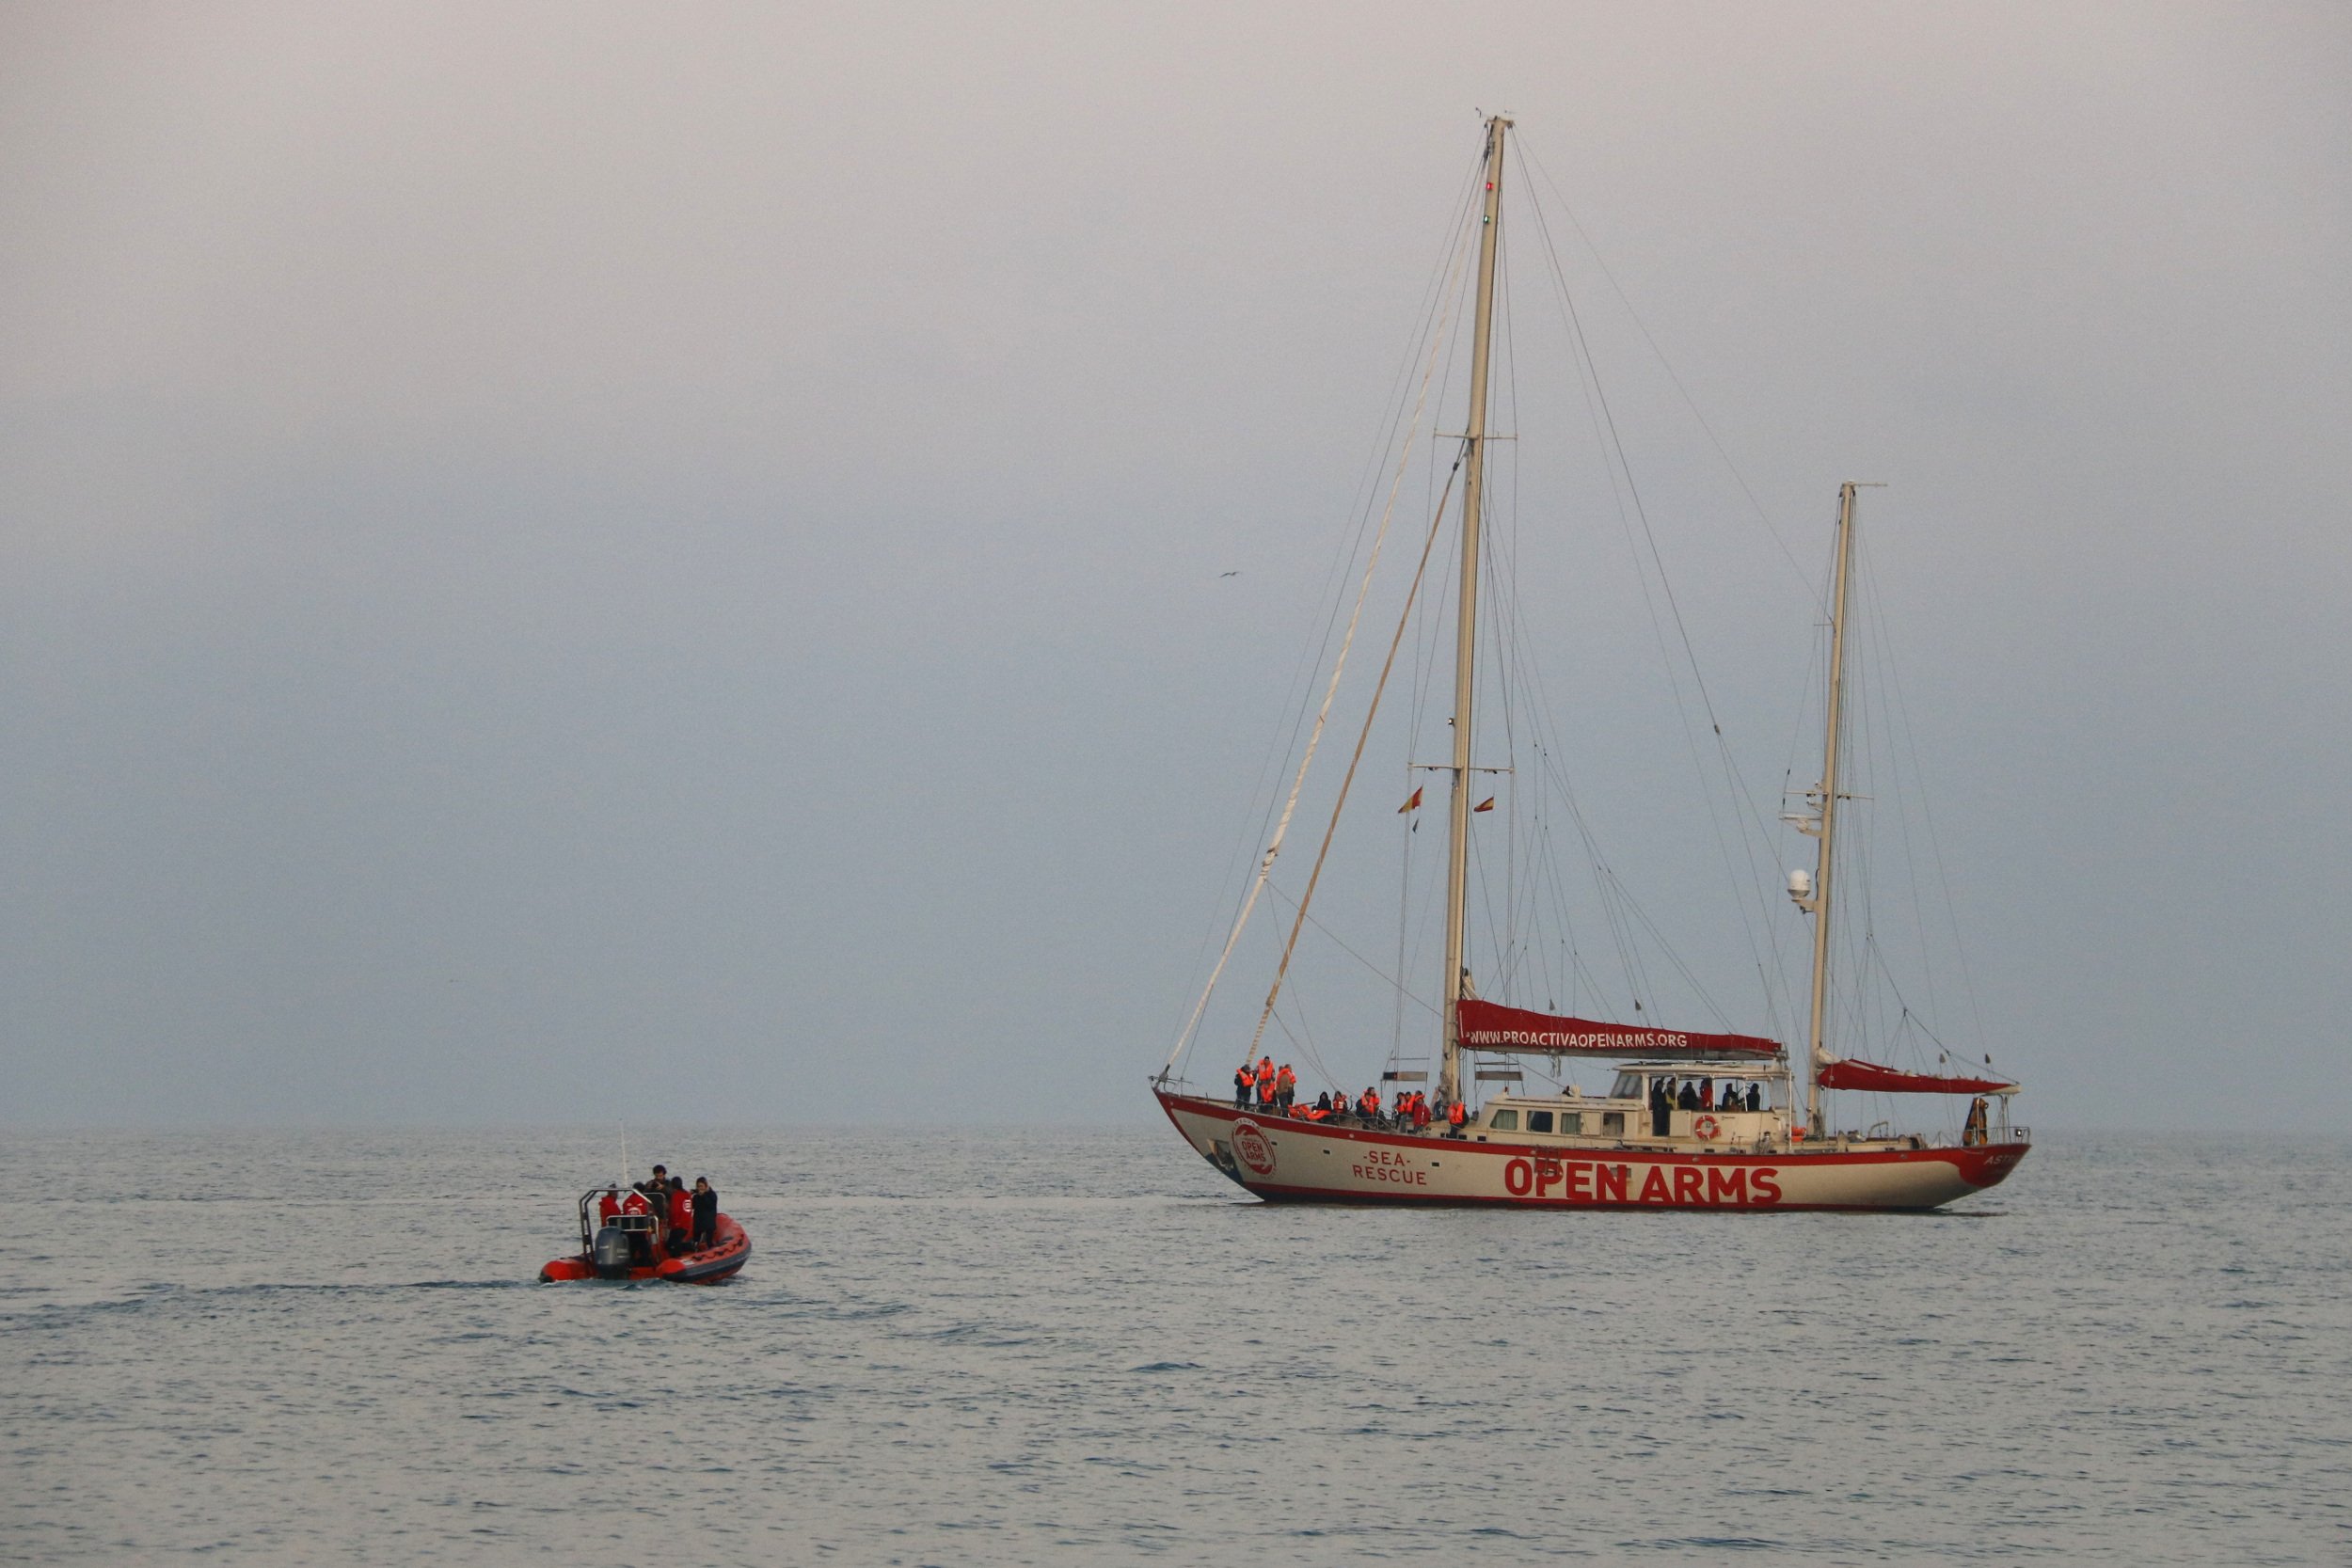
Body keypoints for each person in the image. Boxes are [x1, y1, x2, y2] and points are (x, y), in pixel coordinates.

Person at [667, 1177, 693, 1254]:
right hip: (686, 1224)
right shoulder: (687, 1194)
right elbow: (689, 1209)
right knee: (674, 1243)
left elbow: (674, 1211)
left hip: (678, 1225)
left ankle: (689, 1247)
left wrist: (670, 1223)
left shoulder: (676, 1196)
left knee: (672, 1245)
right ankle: (689, 1247)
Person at [691, 1177, 718, 1250]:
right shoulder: (696, 1197)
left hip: (708, 1222)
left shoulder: (712, 1195)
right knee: (696, 1239)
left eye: (701, 1186)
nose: (700, 1188)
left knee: (709, 1241)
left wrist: (703, 1195)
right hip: (698, 1222)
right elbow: (692, 1206)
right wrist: (689, 1196)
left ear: (706, 1186)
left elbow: (710, 1205)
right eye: (698, 1186)